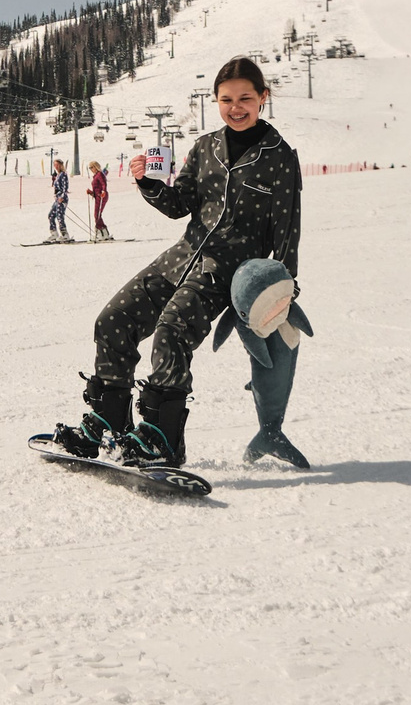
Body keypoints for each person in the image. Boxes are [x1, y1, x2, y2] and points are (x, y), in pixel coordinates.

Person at [50, 57, 302, 469]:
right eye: (226, 99)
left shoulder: (279, 157)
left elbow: (288, 228)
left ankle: (163, 437)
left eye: (245, 98)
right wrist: (149, 184)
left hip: (227, 272)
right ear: (216, 101)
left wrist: (284, 287)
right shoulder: (205, 147)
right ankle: (109, 421)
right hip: (181, 257)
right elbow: (178, 205)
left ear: (263, 99)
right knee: (112, 319)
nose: (235, 107)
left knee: (171, 332)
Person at [212, 257, 313, 468]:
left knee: (277, 372)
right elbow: (261, 356)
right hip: (269, 355)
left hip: (286, 345)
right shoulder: (246, 321)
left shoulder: (284, 299)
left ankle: (269, 433)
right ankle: (269, 435)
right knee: (267, 368)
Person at [47, 158, 71, 242]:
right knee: (51, 215)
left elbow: (65, 187)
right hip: (57, 198)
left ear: (61, 165)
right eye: (55, 165)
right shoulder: (58, 175)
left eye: (57, 165)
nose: (56, 166)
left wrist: (62, 196)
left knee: (60, 216)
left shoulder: (63, 174)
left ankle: (65, 234)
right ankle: (54, 233)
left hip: (62, 199)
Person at [88, 161, 110, 241]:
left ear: (95, 167)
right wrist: (91, 192)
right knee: (97, 215)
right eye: (90, 168)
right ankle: (104, 232)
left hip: (102, 196)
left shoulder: (100, 174)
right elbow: (96, 188)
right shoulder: (95, 176)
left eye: (92, 167)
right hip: (98, 196)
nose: (91, 169)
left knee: (97, 215)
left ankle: (101, 232)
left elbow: (104, 184)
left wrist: (103, 191)